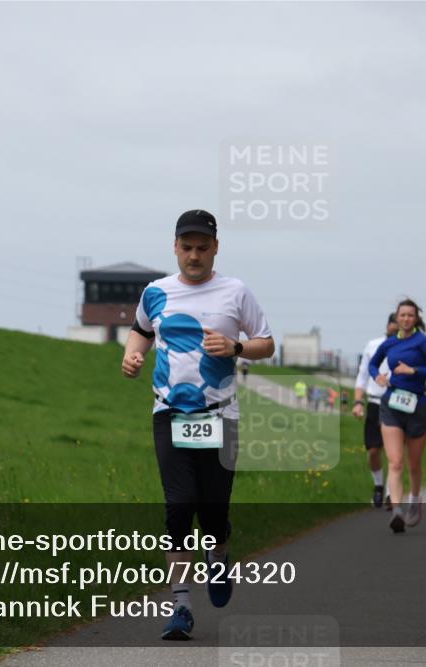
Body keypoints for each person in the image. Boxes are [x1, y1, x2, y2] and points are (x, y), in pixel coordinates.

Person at [122, 209, 275, 639]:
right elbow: (140, 331)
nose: (194, 256)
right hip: (169, 411)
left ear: (215, 248)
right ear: (175, 247)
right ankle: (181, 606)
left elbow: (267, 344)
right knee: (178, 504)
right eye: (186, 248)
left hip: (220, 414)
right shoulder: (156, 292)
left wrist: (237, 345)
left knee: (213, 511)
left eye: (202, 248)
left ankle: (219, 555)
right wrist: (131, 355)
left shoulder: (235, 292)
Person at [367, 299, 426, 533]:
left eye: (410, 315)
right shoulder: (389, 343)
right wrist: (378, 377)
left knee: (414, 463)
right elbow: (372, 364)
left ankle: (415, 499)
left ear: (416, 318)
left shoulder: (423, 341)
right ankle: (397, 511)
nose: (406, 319)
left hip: (417, 405)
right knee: (396, 461)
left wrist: (415, 370)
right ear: (396, 317)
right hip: (392, 404)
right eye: (402, 315)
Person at [353, 313, 400, 508]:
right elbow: (362, 375)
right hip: (374, 402)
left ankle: (391, 493)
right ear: (388, 325)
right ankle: (379, 485)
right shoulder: (373, 345)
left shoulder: (408, 347)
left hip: (396, 403)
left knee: (393, 453)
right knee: (373, 450)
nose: (396, 327)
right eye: (394, 323)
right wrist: (357, 402)